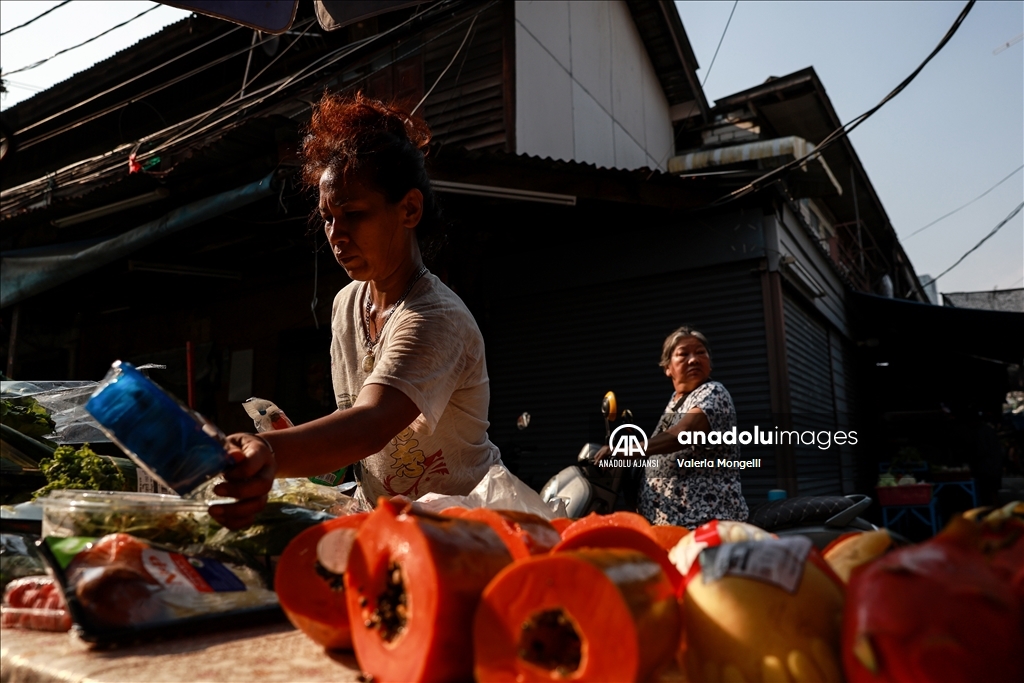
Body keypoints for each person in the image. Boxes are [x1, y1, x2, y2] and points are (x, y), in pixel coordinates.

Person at [209, 93, 501, 529]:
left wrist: (267, 452)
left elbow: (368, 426)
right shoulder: (347, 304)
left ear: (409, 209)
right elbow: (355, 429)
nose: (336, 234)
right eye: (327, 217)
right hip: (385, 525)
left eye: (354, 213)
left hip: (462, 532)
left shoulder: (436, 318)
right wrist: (299, 449)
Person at [598, 326, 749, 527]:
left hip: (705, 523)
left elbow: (681, 435)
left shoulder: (713, 392)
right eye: (683, 354)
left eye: (700, 353)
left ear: (710, 364)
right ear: (668, 368)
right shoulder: (676, 401)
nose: (693, 359)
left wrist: (625, 451)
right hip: (670, 526)